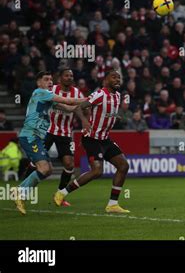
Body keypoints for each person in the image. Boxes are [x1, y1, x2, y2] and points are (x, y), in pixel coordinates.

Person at [53, 71, 131, 214]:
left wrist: (114, 116)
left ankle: (112, 204)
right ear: (106, 80)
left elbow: (105, 112)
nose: (117, 79)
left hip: (105, 139)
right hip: (91, 139)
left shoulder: (118, 96)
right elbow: (79, 107)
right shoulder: (100, 94)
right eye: (113, 77)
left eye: (119, 77)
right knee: (97, 171)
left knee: (123, 166)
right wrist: (84, 121)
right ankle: (62, 193)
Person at [11, 71, 87, 215]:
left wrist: (89, 104)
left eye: (51, 80)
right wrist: (90, 98)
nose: (50, 82)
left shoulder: (48, 100)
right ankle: (20, 191)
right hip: (30, 136)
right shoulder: (40, 92)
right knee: (44, 168)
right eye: (46, 79)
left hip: (37, 138)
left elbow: (70, 108)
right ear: (39, 83)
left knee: (48, 170)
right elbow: (69, 101)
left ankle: (20, 192)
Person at [44, 67, 85, 207]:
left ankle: (59, 195)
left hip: (65, 133)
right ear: (60, 78)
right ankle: (22, 191)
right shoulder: (52, 90)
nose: (69, 77)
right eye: (66, 75)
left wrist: (84, 120)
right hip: (48, 130)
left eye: (71, 75)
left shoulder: (76, 92)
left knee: (69, 164)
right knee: (37, 161)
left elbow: (80, 107)